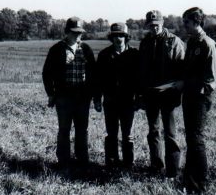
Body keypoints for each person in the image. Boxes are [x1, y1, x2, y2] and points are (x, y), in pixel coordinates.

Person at [42, 16, 96, 171]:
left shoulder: (86, 49)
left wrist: (91, 93)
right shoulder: (57, 49)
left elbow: (93, 73)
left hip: (82, 98)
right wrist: (51, 94)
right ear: (67, 32)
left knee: (82, 130)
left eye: (80, 32)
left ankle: (82, 161)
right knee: (64, 129)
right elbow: (47, 73)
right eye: (74, 32)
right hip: (64, 97)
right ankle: (63, 162)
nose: (77, 35)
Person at [139, 10, 185, 178]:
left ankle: (172, 170)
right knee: (153, 131)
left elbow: (182, 69)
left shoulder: (175, 42)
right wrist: (141, 94)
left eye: (156, 24)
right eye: (151, 25)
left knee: (171, 133)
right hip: (150, 94)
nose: (154, 27)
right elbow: (141, 71)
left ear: (163, 23)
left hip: (169, 94)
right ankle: (156, 166)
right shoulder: (145, 43)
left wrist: (177, 89)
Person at [182, 7, 216, 194]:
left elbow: (210, 80)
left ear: (196, 22)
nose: (184, 26)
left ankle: (201, 182)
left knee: (196, 139)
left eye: (186, 22)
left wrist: (195, 90)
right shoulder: (191, 42)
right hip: (188, 97)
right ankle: (189, 179)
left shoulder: (208, 44)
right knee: (190, 138)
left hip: (199, 99)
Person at [94, 23, 139, 168]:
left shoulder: (134, 54)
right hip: (110, 101)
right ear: (111, 37)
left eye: (121, 35)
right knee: (111, 133)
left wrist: (139, 98)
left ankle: (128, 164)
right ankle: (112, 162)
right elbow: (98, 80)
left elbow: (140, 79)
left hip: (128, 102)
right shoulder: (104, 55)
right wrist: (97, 99)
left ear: (126, 37)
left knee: (128, 135)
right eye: (115, 36)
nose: (118, 38)